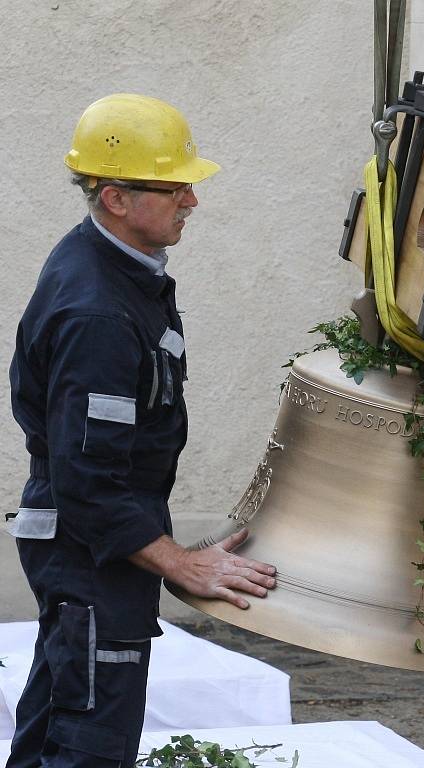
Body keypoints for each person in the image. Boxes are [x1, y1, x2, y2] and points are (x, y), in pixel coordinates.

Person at [7, 93, 276, 768]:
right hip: (89, 551)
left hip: (97, 547)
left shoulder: (122, 275)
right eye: (174, 186)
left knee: (56, 720)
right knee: (88, 745)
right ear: (115, 197)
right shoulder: (98, 308)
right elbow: (87, 481)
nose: (192, 201)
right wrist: (178, 561)